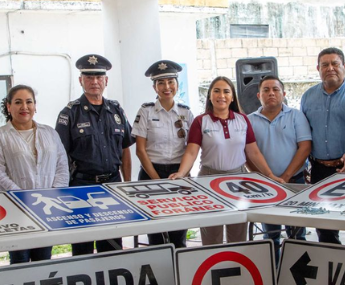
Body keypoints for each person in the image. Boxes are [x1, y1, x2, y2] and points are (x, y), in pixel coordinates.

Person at [170, 76, 281, 245]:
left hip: (239, 180)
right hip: (208, 180)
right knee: (211, 233)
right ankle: (212, 267)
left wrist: (270, 175)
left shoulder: (242, 120)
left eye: (226, 91)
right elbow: (192, 152)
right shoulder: (201, 121)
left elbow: (253, 152)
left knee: (238, 232)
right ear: (209, 96)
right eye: (216, 91)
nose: (221, 95)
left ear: (232, 97)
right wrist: (181, 173)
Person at [56, 54, 134, 255]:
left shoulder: (116, 110)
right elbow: (60, 156)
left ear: (106, 81)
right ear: (81, 80)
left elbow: (126, 149)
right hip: (82, 187)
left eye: (99, 77)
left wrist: (126, 183)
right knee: (82, 246)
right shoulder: (69, 113)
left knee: (112, 245)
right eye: (89, 77)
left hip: (113, 185)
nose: (94, 82)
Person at [0, 85, 69, 263]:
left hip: (47, 208)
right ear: (9, 107)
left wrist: (54, 194)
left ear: (35, 106)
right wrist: (22, 198)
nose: (24, 107)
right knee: (20, 262)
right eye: (18, 102)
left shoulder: (50, 133)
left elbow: (62, 165)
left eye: (28, 102)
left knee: (44, 260)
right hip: (16, 210)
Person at [300, 47, 345, 247]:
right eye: (325, 65)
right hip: (320, 169)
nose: (330, 68)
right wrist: (305, 163)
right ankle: (331, 265)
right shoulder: (308, 97)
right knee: (324, 223)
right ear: (318, 68)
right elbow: (305, 134)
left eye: (335, 64)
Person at [248, 75, 312, 260]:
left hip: (294, 182)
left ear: (283, 94)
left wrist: (285, 176)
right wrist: (263, 177)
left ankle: (297, 276)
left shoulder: (296, 116)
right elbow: (247, 154)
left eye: (275, 89)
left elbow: (305, 147)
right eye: (266, 90)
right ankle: (273, 275)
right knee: (270, 234)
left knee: (297, 233)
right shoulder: (250, 120)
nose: (271, 93)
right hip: (265, 186)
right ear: (259, 95)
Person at [133, 60, 195, 248]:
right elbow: (140, 150)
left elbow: (192, 148)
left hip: (179, 174)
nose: (166, 87)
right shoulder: (146, 111)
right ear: (154, 87)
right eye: (161, 83)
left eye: (170, 81)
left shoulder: (186, 112)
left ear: (177, 84)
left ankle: (178, 270)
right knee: (156, 234)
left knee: (178, 232)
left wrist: (182, 174)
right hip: (151, 174)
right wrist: (156, 179)